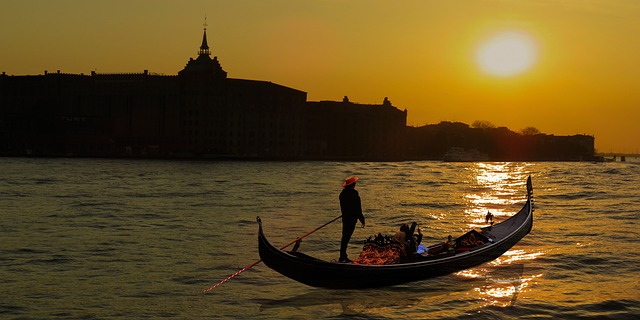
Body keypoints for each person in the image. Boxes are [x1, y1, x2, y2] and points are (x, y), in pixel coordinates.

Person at [339, 176, 365, 263]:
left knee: (344, 237)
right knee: (346, 237)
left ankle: (342, 256)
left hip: (345, 219)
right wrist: (362, 219)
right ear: (353, 185)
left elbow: (345, 207)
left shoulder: (342, 195)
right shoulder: (354, 195)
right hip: (351, 219)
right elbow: (358, 209)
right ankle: (343, 257)